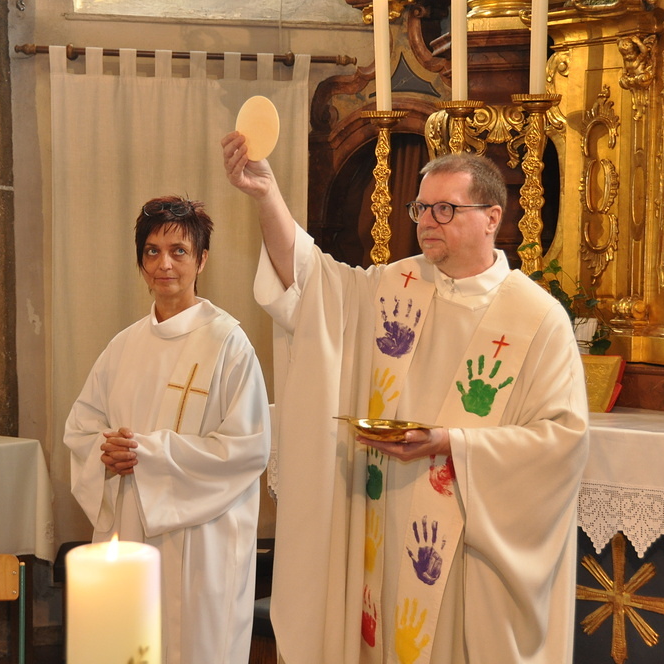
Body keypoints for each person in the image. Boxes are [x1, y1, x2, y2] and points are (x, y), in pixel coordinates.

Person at [222, 132, 589, 664]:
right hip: (386, 521)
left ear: (492, 217)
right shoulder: (398, 285)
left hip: (466, 538)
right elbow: (310, 285)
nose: (427, 221)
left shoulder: (536, 319)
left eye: (445, 209)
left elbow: (561, 443)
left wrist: (452, 443)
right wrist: (267, 196)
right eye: (421, 208)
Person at [64, 195, 271, 664]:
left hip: (202, 542)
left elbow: (248, 449)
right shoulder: (124, 346)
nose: (165, 264)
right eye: (152, 251)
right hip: (131, 530)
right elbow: (82, 428)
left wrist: (148, 454)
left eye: (179, 251)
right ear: (140, 262)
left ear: (202, 260)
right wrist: (105, 452)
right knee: (130, 647)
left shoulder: (228, 343)